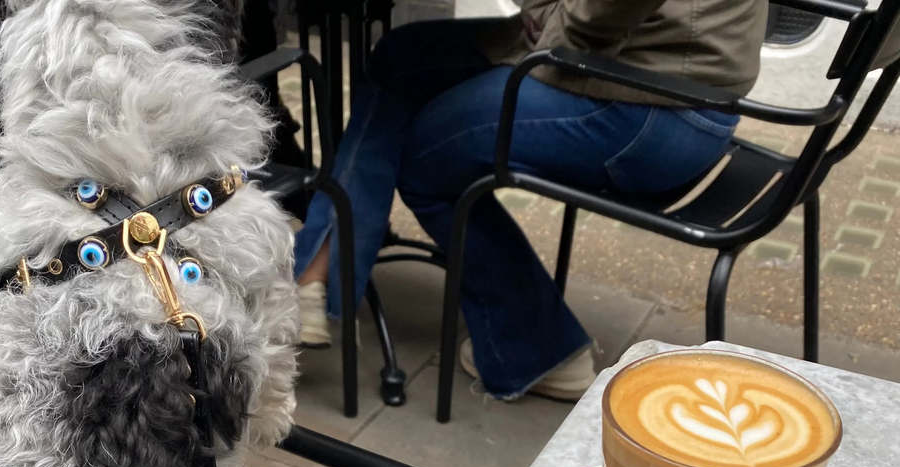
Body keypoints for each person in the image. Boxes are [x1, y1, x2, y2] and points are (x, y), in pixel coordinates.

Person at [294, 0, 767, 401]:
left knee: (425, 157)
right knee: (403, 56)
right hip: (659, 68)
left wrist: (558, 28)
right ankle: (321, 270)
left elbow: (601, 13)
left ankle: (539, 348)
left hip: (650, 101)